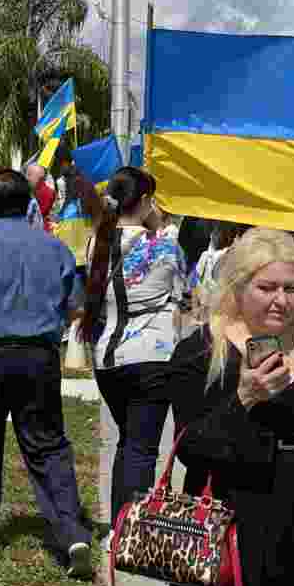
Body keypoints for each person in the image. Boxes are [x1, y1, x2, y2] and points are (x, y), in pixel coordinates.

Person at [166, 228, 294, 586]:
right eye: (266, 288)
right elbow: (190, 448)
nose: (281, 300)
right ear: (238, 287)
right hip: (232, 523)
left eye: (291, 288)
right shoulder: (202, 351)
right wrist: (244, 398)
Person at [0, 168, 92, 578]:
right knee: (47, 446)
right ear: (29, 203)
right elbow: (77, 306)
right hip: (39, 358)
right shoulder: (55, 248)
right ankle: (71, 531)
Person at [80, 167, 186, 548]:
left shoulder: (98, 242)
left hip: (107, 356)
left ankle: (117, 527)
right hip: (150, 357)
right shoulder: (163, 244)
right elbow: (183, 289)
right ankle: (130, 534)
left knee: (129, 443)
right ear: (143, 201)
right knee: (142, 448)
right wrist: (158, 222)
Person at [26, 162, 57, 233]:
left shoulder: (46, 192)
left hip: (39, 229)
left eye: (29, 175)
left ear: (38, 176)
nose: (27, 178)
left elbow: (38, 213)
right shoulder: (32, 190)